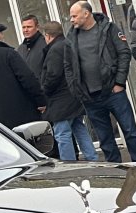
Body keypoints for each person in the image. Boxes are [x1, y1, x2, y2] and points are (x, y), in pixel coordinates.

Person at [65, 0, 136, 162]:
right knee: (105, 140)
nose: (71, 20)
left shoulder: (109, 29)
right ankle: (116, 174)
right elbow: (68, 66)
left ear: (86, 14)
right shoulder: (71, 37)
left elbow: (124, 53)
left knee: (130, 132)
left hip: (114, 93)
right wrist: (77, 91)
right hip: (90, 98)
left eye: (74, 16)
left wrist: (119, 83)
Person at [41, 21, 98, 161]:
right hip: (74, 96)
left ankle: (69, 164)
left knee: (62, 134)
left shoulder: (55, 49)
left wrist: (44, 91)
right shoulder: (68, 44)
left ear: (47, 36)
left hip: (61, 99)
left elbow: (53, 75)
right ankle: (92, 158)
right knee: (79, 128)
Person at [17, 14, 48, 80]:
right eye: (23, 27)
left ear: (37, 27)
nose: (26, 30)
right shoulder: (20, 48)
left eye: (29, 27)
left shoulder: (45, 44)